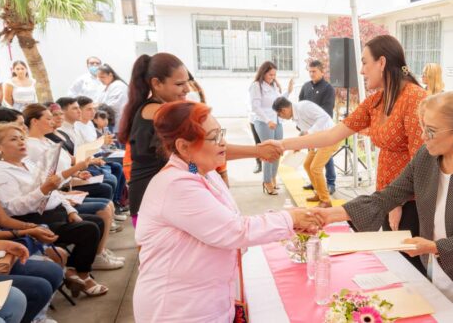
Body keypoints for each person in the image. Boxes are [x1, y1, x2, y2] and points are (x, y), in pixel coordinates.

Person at [312, 91, 453, 322]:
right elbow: (387, 196)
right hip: (441, 262)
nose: (423, 136)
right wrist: (330, 215)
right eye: (423, 127)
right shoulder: (426, 157)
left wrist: (434, 247)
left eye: (432, 131)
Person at [133, 101, 320, 323]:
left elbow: (229, 223)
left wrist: (290, 222)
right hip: (177, 311)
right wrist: (290, 218)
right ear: (183, 147)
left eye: (221, 133)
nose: (223, 143)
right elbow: (235, 231)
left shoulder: (199, 172)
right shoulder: (176, 185)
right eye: (213, 137)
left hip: (206, 301)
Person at [277, 35, 427, 273]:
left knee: (409, 269)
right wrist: (283, 144)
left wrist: (397, 201)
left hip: (411, 202)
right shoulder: (377, 100)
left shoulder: (415, 98)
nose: (361, 70)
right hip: (387, 197)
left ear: (382, 62)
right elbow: (331, 134)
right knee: (394, 266)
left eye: (365, 62)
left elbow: (421, 163)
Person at [118, 53, 283, 225]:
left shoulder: (154, 109)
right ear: (156, 83)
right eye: (180, 84)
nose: (187, 89)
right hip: (155, 205)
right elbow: (207, 150)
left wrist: (200, 175)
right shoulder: (162, 114)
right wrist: (257, 151)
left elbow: (196, 157)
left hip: (156, 201)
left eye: (187, 82)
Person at [0, 123, 109, 297]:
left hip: (54, 213)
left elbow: (53, 192)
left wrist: (70, 210)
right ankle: (82, 276)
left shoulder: (27, 163)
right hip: (32, 221)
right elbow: (13, 209)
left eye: (22, 138)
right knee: (89, 229)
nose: (21, 142)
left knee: (97, 221)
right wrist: (43, 190)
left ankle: (71, 269)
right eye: (13, 139)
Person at [0, 136, 63, 323]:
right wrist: (24, 232)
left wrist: (28, 229)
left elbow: (0, 220)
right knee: (38, 286)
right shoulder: (0, 174)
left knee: (53, 270)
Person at [23, 104, 125, 270]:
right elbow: (47, 180)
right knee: (104, 207)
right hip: (56, 195)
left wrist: (76, 174)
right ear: (34, 121)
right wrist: (76, 173)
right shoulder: (32, 146)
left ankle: (100, 251)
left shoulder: (47, 140)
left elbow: (63, 166)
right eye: (48, 118)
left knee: (108, 196)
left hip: (63, 189)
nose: (53, 121)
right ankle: (94, 257)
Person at [273, 97, 337, 207]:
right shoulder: (296, 115)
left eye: (279, 115)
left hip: (330, 137)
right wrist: (299, 143)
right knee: (307, 165)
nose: (280, 117)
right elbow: (305, 132)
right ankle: (320, 194)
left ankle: (326, 200)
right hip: (318, 140)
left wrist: (309, 132)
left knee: (315, 168)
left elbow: (324, 117)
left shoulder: (304, 107)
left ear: (283, 110)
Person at [249, 61, 293, 195]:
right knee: (268, 151)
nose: (272, 77)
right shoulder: (256, 86)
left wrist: (288, 92)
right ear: (263, 72)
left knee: (278, 150)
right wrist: (267, 121)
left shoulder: (274, 85)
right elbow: (255, 107)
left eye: (274, 75)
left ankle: (273, 176)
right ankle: (266, 180)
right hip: (263, 122)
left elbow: (278, 101)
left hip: (277, 121)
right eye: (270, 74)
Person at [298, 60, 336, 195]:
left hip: (324, 129)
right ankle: (315, 182)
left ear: (322, 72)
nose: (311, 74)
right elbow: (300, 105)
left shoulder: (328, 88)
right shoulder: (306, 86)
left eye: (314, 71)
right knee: (311, 158)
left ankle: (330, 183)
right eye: (310, 71)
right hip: (310, 130)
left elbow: (327, 111)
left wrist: (314, 126)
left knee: (325, 158)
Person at [94, 64, 128, 132]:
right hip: (106, 123)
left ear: (110, 75)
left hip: (117, 123)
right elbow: (96, 101)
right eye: (99, 77)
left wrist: (98, 106)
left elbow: (112, 106)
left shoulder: (118, 86)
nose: (100, 79)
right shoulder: (103, 87)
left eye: (102, 77)